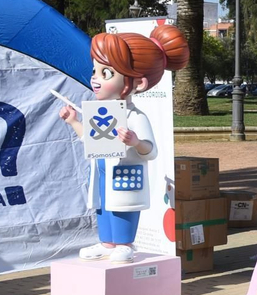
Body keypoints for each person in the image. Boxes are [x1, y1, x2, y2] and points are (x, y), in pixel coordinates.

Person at [58, 24, 190, 262]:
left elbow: (151, 151)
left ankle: (125, 243)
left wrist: (135, 141)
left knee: (123, 207)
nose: (95, 80)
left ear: (138, 83)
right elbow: (90, 139)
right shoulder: (102, 111)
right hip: (101, 172)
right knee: (103, 206)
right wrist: (74, 121)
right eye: (95, 72)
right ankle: (107, 242)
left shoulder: (135, 116)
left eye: (106, 73)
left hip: (123, 173)